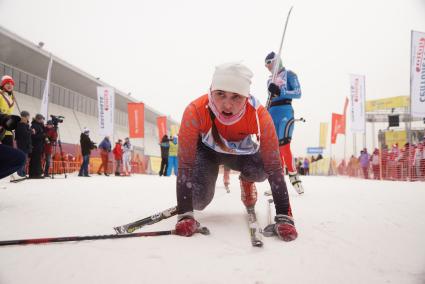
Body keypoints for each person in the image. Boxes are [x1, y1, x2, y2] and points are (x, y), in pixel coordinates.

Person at [174, 62, 297, 242]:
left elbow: (274, 166)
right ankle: (194, 198)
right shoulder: (195, 110)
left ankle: (247, 182)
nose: (227, 105)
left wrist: (284, 215)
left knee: (261, 169)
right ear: (211, 90)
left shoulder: (259, 115)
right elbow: (185, 165)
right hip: (207, 154)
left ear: (246, 97)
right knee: (199, 201)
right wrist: (185, 213)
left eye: (236, 97)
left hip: (240, 155)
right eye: (220, 94)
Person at [264, 52, 304, 194]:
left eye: (269, 63)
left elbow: (298, 93)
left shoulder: (290, 74)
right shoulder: (270, 80)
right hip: (272, 113)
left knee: (284, 146)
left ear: (276, 62)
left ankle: (294, 178)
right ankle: (278, 182)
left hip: (285, 111)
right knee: (274, 149)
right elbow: (269, 99)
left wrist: (282, 91)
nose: (267, 66)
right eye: (265, 64)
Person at [14, 111, 32, 177]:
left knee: (25, 160)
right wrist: (31, 131)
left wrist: (28, 128)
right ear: (25, 117)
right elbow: (25, 134)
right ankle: (20, 173)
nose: (28, 118)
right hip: (22, 145)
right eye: (28, 117)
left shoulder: (24, 125)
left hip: (25, 145)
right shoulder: (21, 125)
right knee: (23, 159)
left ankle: (23, 173)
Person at [0, 75, 16, 147]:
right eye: (7, 83)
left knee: (9, 151)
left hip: (7, 129)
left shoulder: (11, 98)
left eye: (11, 84)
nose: (10, 85)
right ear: (3, 85)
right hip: (1, 125)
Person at [28, 114, 45, 179]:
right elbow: (33, 136)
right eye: (42, 119)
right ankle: (34, 174)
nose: (42, 120)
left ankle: (37, 173)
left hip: (39, 146)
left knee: (37, 160)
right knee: (35, 160)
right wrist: (42, 136)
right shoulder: (34, 126)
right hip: (35, 146)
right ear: (38, 119)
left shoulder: (40, 126)